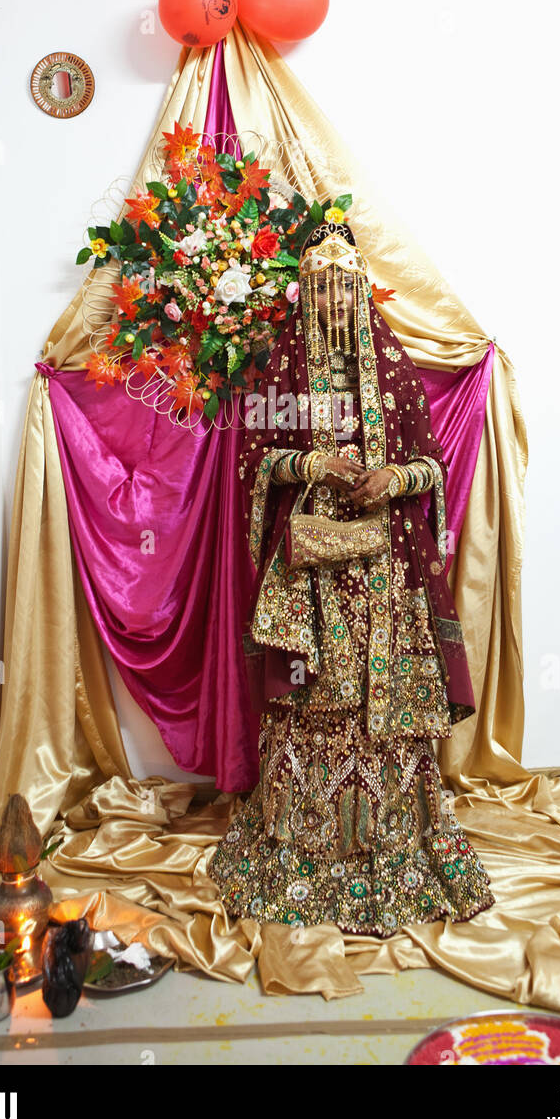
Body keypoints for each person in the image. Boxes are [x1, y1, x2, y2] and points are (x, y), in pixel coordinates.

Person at [209, 219, 495, 935]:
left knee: (384, 706)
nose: (333, 301)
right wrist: (307, 466)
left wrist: (394, 476)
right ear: (305, 293)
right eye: (320, 288)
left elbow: (434, 466)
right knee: (314, 704)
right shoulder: (283, 371)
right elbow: (251, 462)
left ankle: (396, 844)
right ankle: (304, 845)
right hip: (309, 579)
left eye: (343, 287)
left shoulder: (392, 370)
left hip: (385, 576)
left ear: (360, 291)